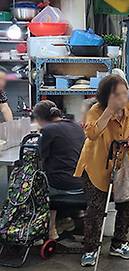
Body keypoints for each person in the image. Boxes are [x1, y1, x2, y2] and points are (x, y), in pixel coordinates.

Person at [74, 74, 129, 267]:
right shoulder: (95, 110)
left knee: (126, 204)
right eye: (118, 95)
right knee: (96, 209)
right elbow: (92, 134)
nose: (123, 98)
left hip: (121, 164)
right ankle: (90, 249)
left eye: (124, 93)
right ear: (107, 96)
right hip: (95, 165)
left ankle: (119, 243)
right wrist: (109, 111)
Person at [33, 100, 85, 241]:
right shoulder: (76, 126)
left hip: (63, 185)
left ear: (41, 119)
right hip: (82, 184)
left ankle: (50, 230)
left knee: (35, 184)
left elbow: (40, 156)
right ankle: (67, 219)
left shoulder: (48, 130)